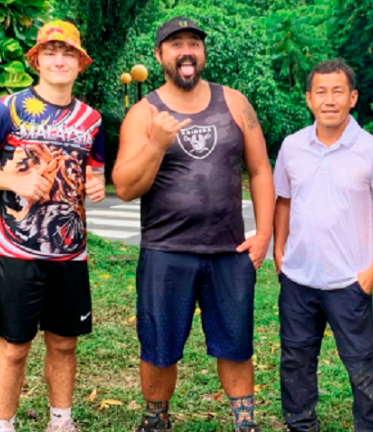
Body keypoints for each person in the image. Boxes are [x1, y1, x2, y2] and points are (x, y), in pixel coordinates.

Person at [112, 16, 275, 432]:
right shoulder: (143, 112)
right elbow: (126, 186)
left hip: (228, 251)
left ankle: (245, 422)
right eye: (175, 44)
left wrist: (265, 235)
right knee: (159, 345)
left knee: (236, 343)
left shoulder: (235, 102)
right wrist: (156, 144)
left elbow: (259, 171)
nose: (186, 51)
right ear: (159, 55)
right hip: (166, 252)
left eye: (194, 44)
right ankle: (155, 421)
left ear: (202, 54)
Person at [0, 20, 105, 432]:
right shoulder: (8, 108)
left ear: (80, 62)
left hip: (70, 254)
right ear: (36, 60)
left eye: (68, 52)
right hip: (17, 253)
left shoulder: (92, 120)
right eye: (51, 52)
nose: (60, 60)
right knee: (15, 346)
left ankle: (61, 421)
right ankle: (5, 426)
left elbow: (95, 172)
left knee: (64, 343)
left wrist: (96, 184)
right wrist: (15, 180)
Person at [272, 59, 373, 432]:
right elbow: (284, 201)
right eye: (321, 92)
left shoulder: (371, 149)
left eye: (338, 91)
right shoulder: (292, 146)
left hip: (350, 281)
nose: (329, 100)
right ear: (309, 99)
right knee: (296, 362)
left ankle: (371, 428)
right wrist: (279, 252)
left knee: (360, 364)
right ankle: (300, 424)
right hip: (298, 278)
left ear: (353, 98)